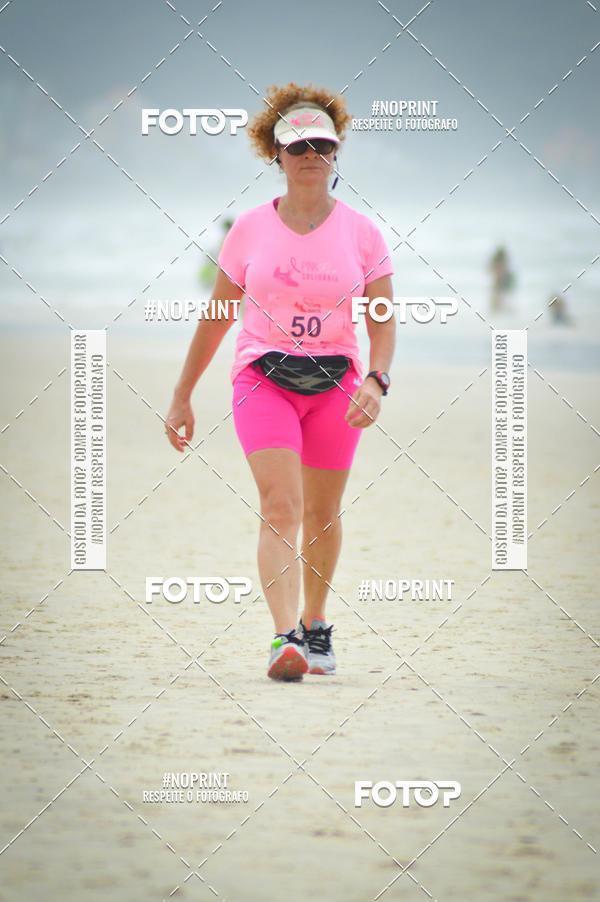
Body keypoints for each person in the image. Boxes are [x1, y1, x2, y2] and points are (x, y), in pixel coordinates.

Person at [165, 83, 395, 681]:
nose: (311, 154)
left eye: (322, 143)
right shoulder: (247, 230)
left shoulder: (363, 234)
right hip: (260, 377)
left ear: (337, 150)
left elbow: (383, 322)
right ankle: (283, 639)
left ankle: (316, 627)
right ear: (276, 153)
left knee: (322, 511)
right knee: (280, 505)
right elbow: (217, 315)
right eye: (298, 145)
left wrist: (377, 380)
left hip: (337, 385)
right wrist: (182, 393)